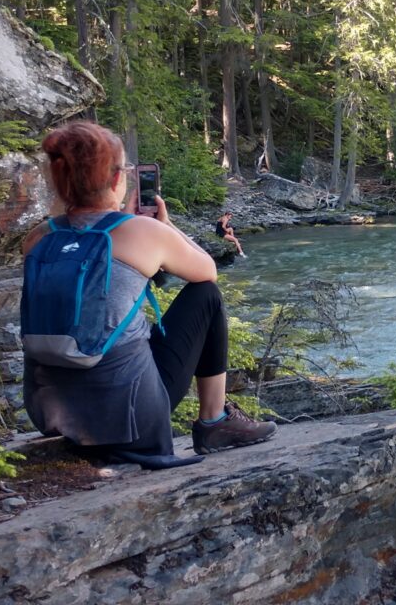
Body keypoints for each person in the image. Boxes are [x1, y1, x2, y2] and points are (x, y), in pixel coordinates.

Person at [21, 121, 275, 467]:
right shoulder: (143, 232)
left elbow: (86, 235)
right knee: (207, 296)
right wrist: (164, 226)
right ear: (116, 180)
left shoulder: (38, 238)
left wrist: (125, 220)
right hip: (129, 420)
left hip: (52, 415)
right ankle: (214, 420)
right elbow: (206, 271)